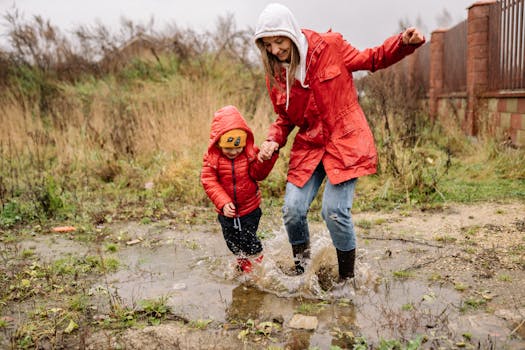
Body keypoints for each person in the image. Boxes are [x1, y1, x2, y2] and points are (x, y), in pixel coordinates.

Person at [253, 3, 425, 281]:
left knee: (333, 211)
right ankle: (301, 273)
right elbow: (284, 118)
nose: (275, 50)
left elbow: (371, 59)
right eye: (268, 44)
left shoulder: (329, 47)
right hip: (310, 144)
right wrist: (273, 140)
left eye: (279, 40)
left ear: (291, 32)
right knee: (292, 211)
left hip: (344, 140)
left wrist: (402, 43)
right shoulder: (275, 72)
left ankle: (346, 280)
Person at [201, 105, 279, 273]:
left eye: (238, 147)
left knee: (249, 239)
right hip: (226, 211)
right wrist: (223, 202)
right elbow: (208, 180)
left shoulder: (250, 154)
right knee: (232, 241)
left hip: (249, 209)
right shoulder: (212, 159)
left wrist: (266, 160)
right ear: (219, 142)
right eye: (228, 148)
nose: (234, 151)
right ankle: (243, 264)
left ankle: (258, 266)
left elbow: (258, 174)